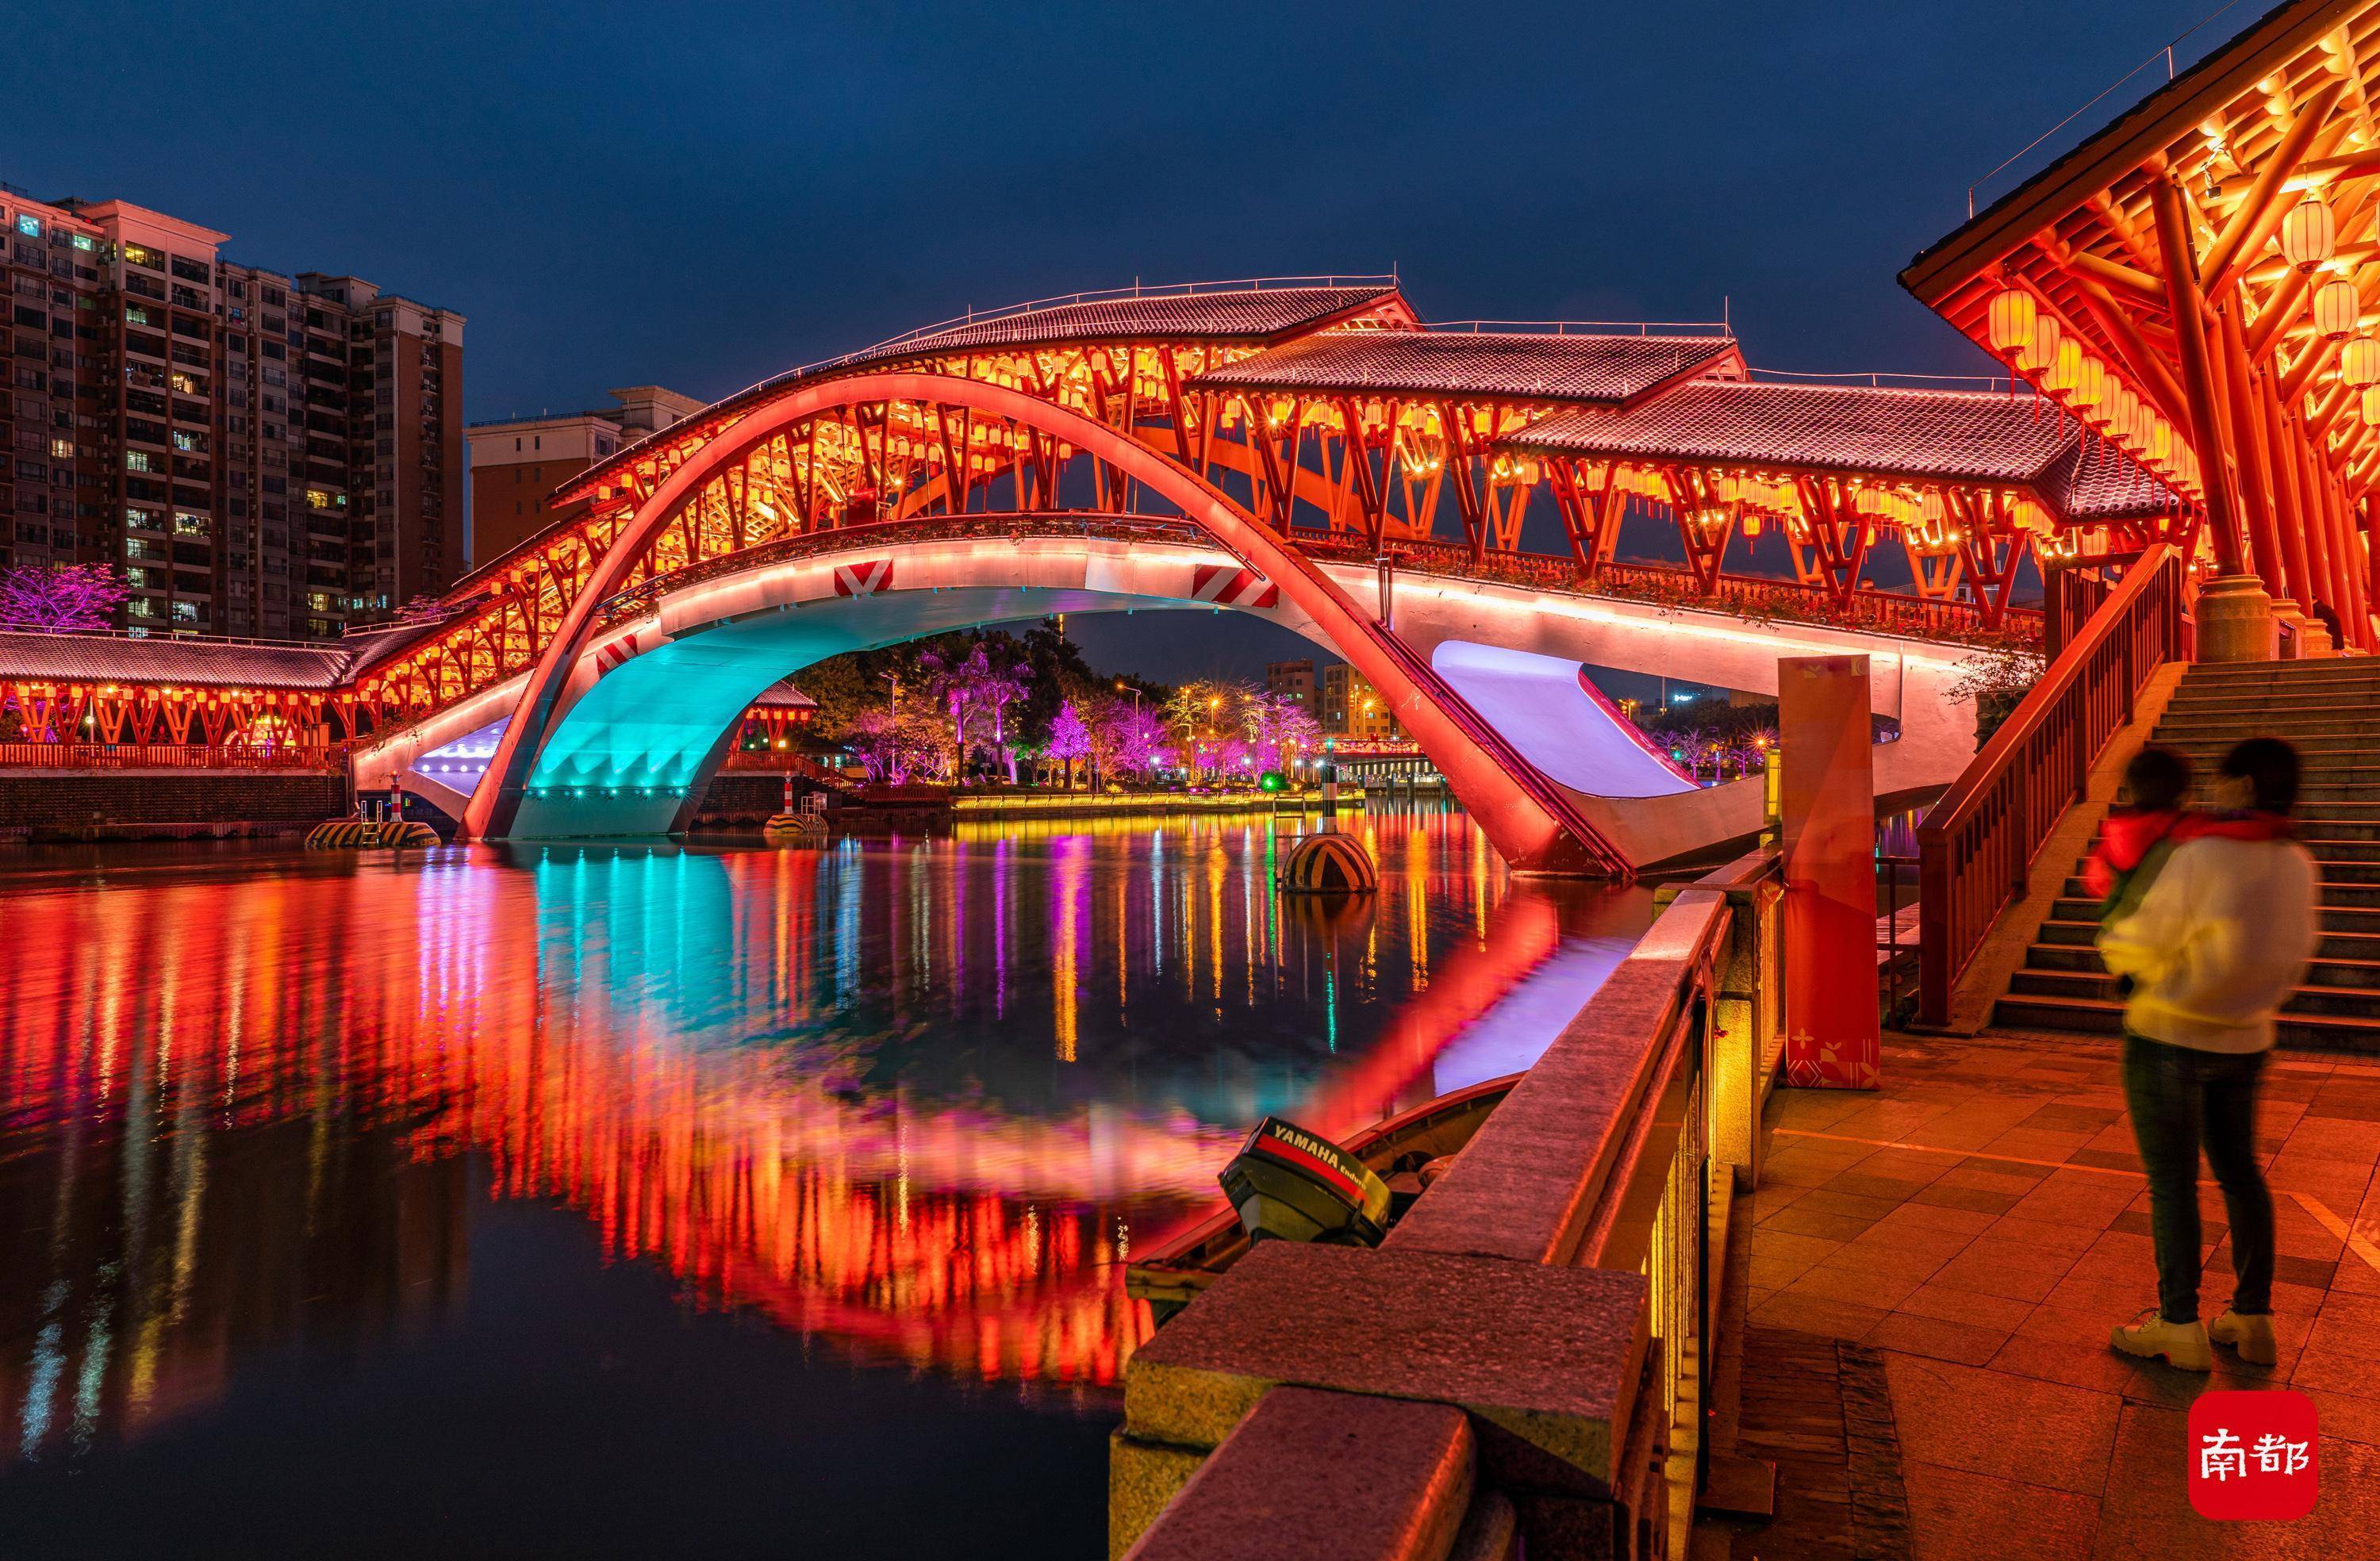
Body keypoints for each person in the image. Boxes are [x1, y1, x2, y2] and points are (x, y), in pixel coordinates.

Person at [2098, 738, 2316, 1372]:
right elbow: (2295, 951)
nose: (2215, 790)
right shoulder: (2296, 861)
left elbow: (2148, 935)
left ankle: (2179, 1324)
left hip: (2168, 1032)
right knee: (2241, 1175)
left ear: (2244, 786)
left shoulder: (2207, 856)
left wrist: (2119, 955)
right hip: (2247, 1037)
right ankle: (2253, 1318)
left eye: (2224, 780)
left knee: (2172, 1183)